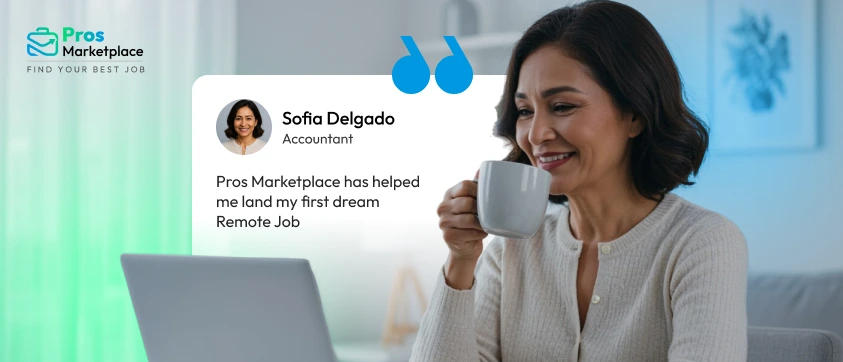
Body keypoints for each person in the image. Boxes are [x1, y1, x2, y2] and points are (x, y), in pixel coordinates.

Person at [411, 1, 748, 361]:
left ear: (634, 114)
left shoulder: (701, 244)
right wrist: (460, 262)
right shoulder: (510, 253)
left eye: (562, 107)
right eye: (525, 111)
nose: (536, 134)